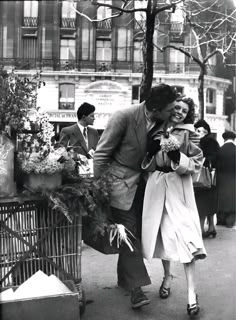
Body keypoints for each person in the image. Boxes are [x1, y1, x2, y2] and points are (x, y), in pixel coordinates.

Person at [93, 83, 180, 309]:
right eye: (170, 109)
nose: (174, 112)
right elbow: (101, 155)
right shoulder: (124, 116)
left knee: (137, 234)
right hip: (119, 185)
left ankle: (125, 279)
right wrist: (100, 190)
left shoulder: (163, 122)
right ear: (156, 109)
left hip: (146, 187)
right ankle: (137, 290)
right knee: (129, 234)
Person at [141, 96, 206, 316]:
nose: (179, 111)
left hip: (178, 189)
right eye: (176, 107)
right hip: (158, 186)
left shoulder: (190, 133)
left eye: (184, 109)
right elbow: (148, 166)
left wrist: (178, 156)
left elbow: (197, 162)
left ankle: (191, 293)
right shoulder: (155, 130)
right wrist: (150, 153)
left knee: (187, 240)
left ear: (189, 114)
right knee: (163, 236)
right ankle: (167, 276)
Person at [194, 120, 220, 238]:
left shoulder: (201, 142)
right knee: (210, 203)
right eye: (198, 130)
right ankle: (211, 227)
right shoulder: (213, 142)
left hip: (201, 178)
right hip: (212, 177)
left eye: (202, 131)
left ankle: (200, 229)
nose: (199, 132)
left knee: (202, 204)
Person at [216, 131, 236, 228]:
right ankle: (230, 221)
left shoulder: (220, 149)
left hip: (221, 177)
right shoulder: (235, 149)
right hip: (233, 178)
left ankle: (220, 220)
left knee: (222, 197)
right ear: (234, 139)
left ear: (224, 139)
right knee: (232, 198)